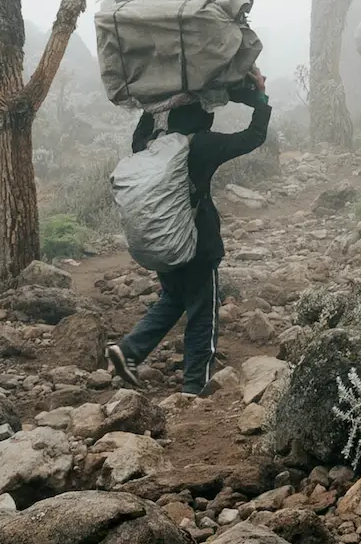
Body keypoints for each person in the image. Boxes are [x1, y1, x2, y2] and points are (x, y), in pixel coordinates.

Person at [106, 69, 271, 396]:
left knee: (173, 299)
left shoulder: (151, 146)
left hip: (161, 243)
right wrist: (260, 96)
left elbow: (141, 130)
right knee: (202, 313)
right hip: (196, 245)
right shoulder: (203, 145)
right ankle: (195, 385)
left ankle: (128, 351)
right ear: (202, 118)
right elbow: (254, 136)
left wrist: (154, 98)